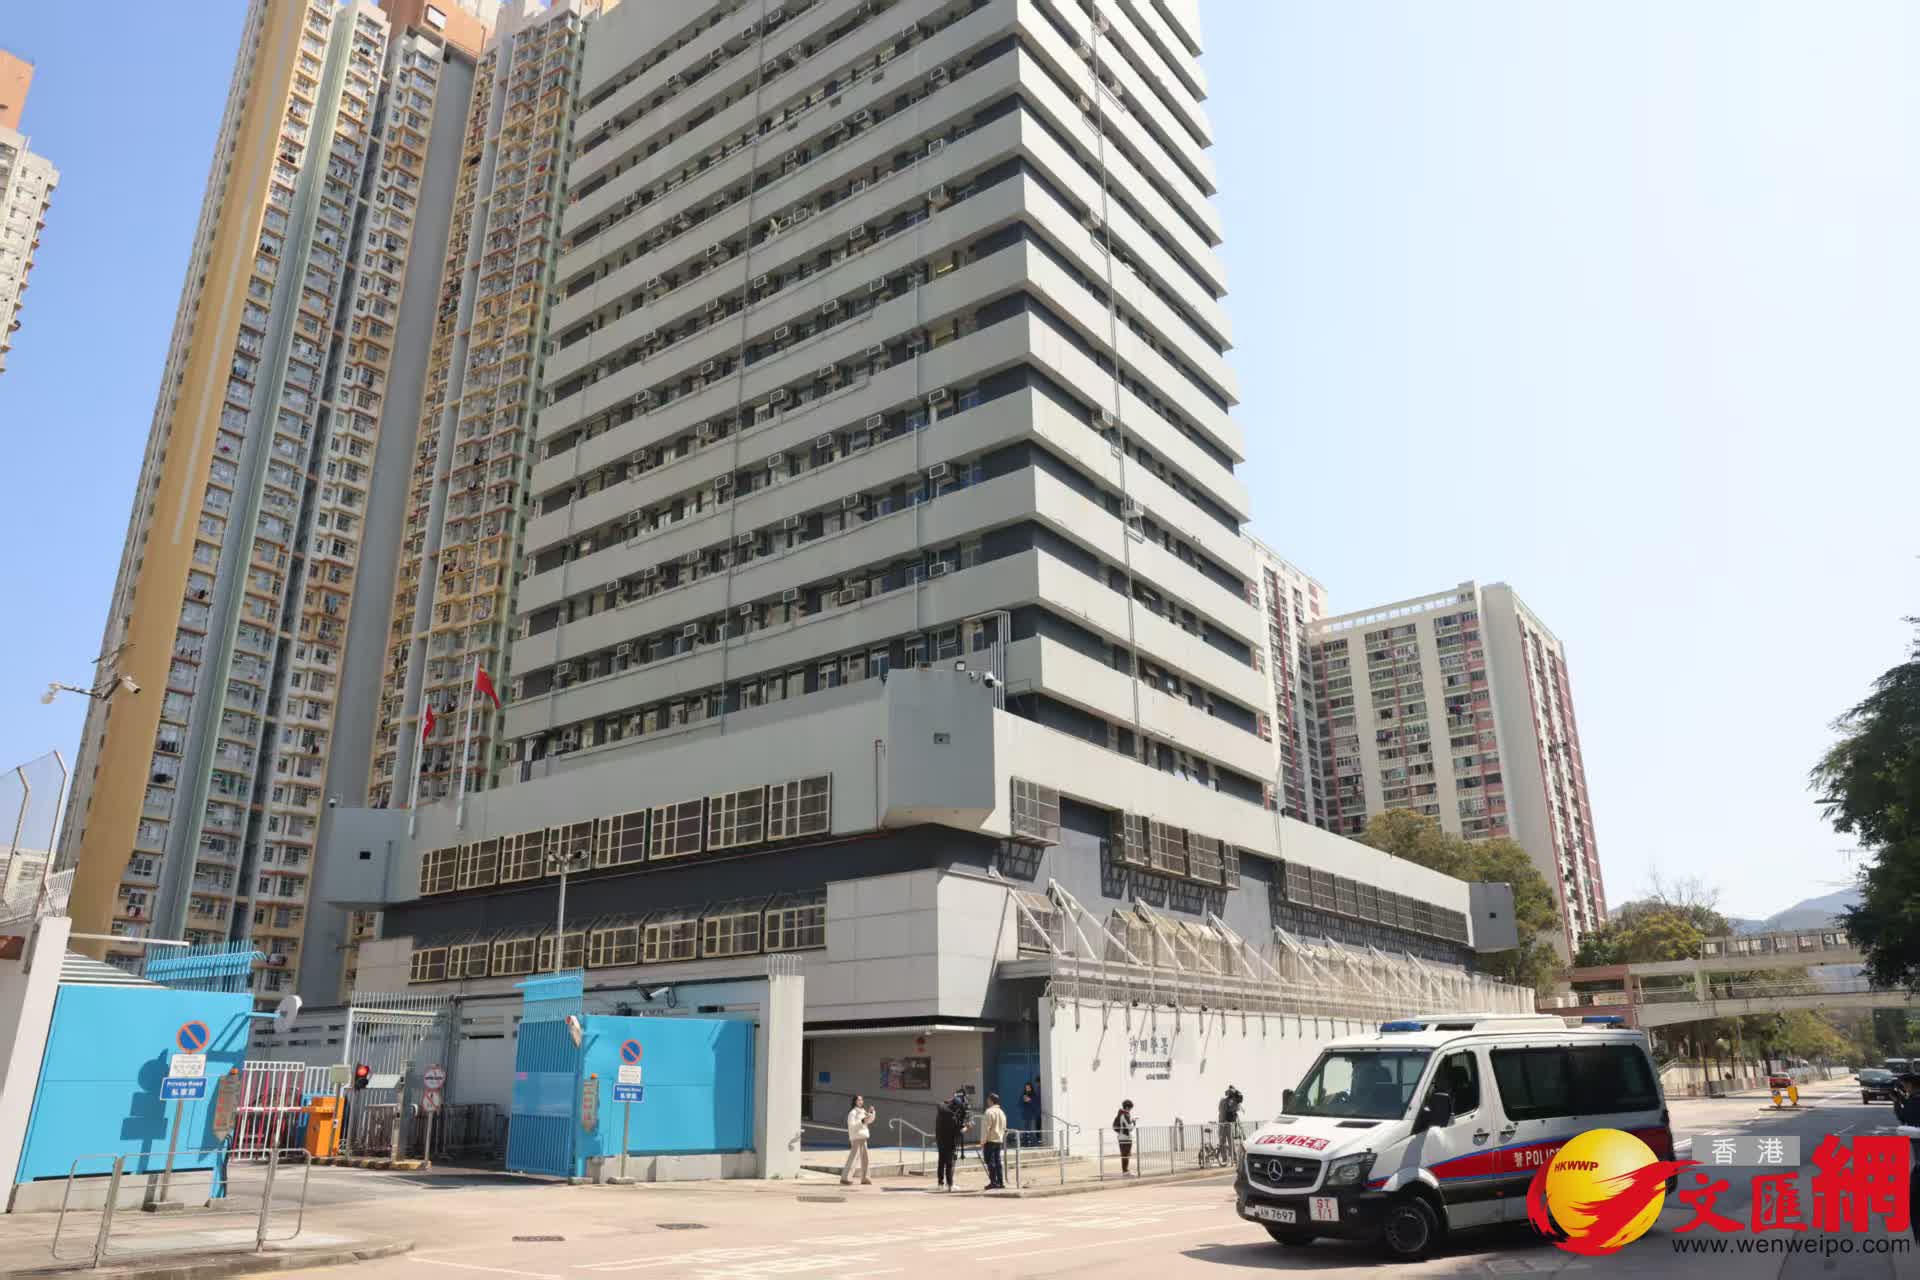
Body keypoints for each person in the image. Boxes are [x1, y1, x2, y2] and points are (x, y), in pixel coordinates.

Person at [1897, 1074, 1920, 1242]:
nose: (1904, 1087)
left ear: (1911, 1085)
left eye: (1904, 1084)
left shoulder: (1914, 1102)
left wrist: (1898, 1103)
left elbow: (1905, 1119)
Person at [934, 1089, 967, 1191]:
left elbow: (943, 1102)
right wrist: (967, 1127)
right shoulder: (952, 1117)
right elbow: (958, 1132)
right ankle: (950, 1185)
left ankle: (940, 1184)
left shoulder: (941, 1110)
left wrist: (952, 1100)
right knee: (949, 1163)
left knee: (941, 1162)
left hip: (940, 1140)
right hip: (949, 1142)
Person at [841, 1094, 876, 1186]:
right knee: (853, 1158)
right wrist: (862, 1121)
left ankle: (865, 1178)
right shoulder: (853, 1112)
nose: (860, 1101)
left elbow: (869, 1121)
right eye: (858, 1100)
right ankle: (845, 1177)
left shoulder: (863, 1111)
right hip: (856, 1137)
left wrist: (872, 1113)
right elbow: (852, 1126)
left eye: (861, 1100)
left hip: (863, 1137)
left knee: (865, 1159)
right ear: (855, 1101)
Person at [980, 1092, 1008, 1189]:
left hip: (990, 1140)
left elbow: (986, 1128)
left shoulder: (989, 1112)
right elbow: (1004, 1127)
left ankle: (993, 1182)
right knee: (998, 1161)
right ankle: (1000, 1181)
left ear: (991, 1100)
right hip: (998, 1140)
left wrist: (983, 1141)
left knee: (990, 1161)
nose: (987, 1101)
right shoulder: (1002, 1112)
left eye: (988, 1099)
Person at [1113, 1099, 1136, 1174]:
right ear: (1127, 1107)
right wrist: (1134, 1122)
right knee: (1126, 1154)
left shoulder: (1120, 1114)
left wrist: (1131, 1121)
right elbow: (1130, 1128)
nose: (1130, 1110)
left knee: (1124, 1154)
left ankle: (1125, 1170)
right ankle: (1125, 1171)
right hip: (1125, 1137)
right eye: (1130, 1108)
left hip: (1121, 1136)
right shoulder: (1125, 1115)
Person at [1021, 1077, 1042, 1144]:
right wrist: (1023, 1100)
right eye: (1026, 1088)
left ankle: (1033, 1141)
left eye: (1028, 1088)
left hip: (1032, 1115)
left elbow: (1036, 1104)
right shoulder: (1024, 1094)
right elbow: (1020, 1104)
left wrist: (1030, 1100)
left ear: (1031, 1088)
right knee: (1026, 1128)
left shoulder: (1034, 1095)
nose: (1027, 1089)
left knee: (1032, 1128)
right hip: (1026, 1115)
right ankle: (1025, 1141)